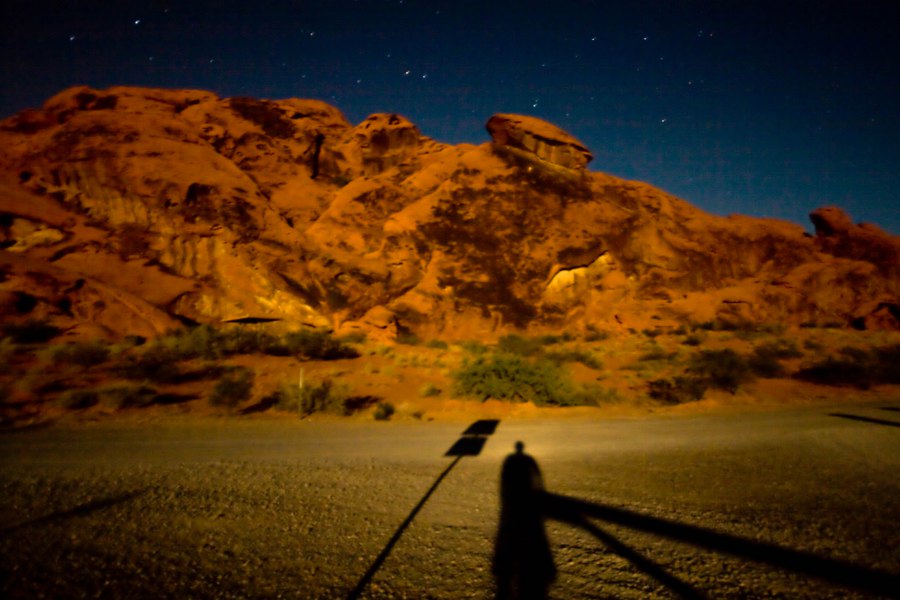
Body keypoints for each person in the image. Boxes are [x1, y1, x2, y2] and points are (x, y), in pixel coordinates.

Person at [493, 441, 555, 600]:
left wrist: (504, 494)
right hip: (524, 493)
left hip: (515, 494)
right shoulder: (527, 459)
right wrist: (541, 490)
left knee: (512, 525)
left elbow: (504, 477)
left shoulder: (510, 459)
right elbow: (538, 474)